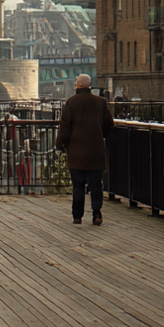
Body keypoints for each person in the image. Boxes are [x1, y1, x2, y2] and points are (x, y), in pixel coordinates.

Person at [56, 74, 112, 226]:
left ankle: (77, 216)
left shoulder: (71, 103)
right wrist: (101, 135)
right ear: (89, 86)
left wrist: (60, 144)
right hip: (95, 151)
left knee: (78, 185)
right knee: (96, 185)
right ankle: (96, 214)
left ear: (78, 86)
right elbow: (109, 124)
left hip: (76, 152)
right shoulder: (101, 102)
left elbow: (65, 128)